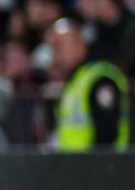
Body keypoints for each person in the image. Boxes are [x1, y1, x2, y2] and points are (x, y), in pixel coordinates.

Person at [50, 19, 130, 150]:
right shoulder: (77, 78)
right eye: (53, 49)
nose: (56, 55)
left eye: (60, 47)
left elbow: (107, 136)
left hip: (100, 162)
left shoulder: (100, 77)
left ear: (80, 43)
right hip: (75, 161)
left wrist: (98, 163)